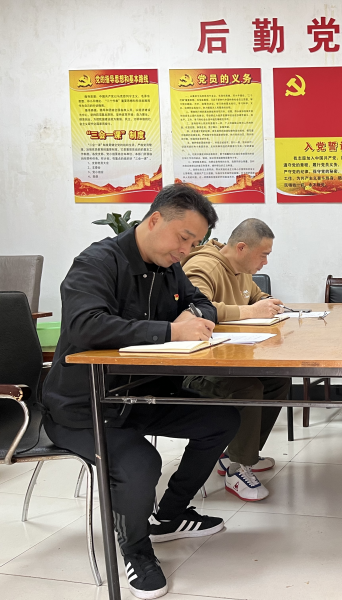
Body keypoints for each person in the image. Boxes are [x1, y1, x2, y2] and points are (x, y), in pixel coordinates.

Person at [42, 185, 241, 600]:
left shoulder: (169, 267)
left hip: (142, 395)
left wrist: (194, 314)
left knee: (222, 419)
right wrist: (170, 330)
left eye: (194, 244)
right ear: (154, 220)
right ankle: (136, 549)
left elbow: (201, 302)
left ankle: (169, 517)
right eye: (183, 238)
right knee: (141, 465)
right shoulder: (97, 263)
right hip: (86, 406)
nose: (186, 251)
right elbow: (85, 326)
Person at [181, 218, 290, 502]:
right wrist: (251, 312)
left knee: (278, 379)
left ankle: (239, 454)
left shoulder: (241, 271)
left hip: (227, 360)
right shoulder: (203, 266)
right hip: (194, 367)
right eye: (263, 255)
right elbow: (196, 309)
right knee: (247, 387)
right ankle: (237, 468)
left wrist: (270, 303)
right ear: (242, 247)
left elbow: (256, 297)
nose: (265, 262)